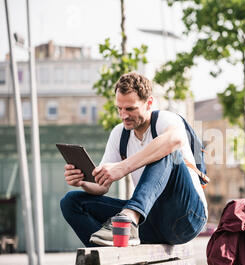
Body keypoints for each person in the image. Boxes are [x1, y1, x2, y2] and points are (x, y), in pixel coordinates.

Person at [60, 72, 207, 247]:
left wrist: (123, 167)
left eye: (130, 109)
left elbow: (175, 139)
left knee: (167, 150)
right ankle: (107, 259)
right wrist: (82, 181)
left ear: (149, 103)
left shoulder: (165, 120)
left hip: (187, 217)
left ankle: (129, 219)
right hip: (151, 221)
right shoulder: (119, 134)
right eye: (119, 108)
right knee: (71, 202)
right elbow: (102, 186)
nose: (123, 115)